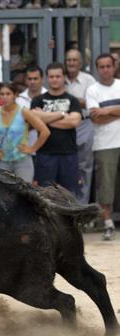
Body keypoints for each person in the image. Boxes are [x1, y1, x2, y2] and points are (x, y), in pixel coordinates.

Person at [29, 62, 81, 194]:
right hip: (45, 153)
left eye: (58, 76)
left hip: (68, 152)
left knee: (69, 195)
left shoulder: (72, 100)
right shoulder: (37, 100)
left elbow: (74, 122)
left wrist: (44, 118)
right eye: (51, 77)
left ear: (64, 77)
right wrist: (63, 115)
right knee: (45, 195)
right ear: (47, 78)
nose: (54, 79)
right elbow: (34, 122)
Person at [0, 83, 50, 182]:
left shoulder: (23, 112)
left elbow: (45, 131)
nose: (5, 97)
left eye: (8, 94)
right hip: (3, 161)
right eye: (2, 94)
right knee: (3, 194)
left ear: (15, 95)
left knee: (23, 194)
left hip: (22, 161)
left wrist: (32, 149)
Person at [86, 53, 120, 240]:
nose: (106, 70)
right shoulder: (93, 90)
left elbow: (102, 114)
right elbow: (95, 118)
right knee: (105, 187)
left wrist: (106, 110)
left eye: (109, 66)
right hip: (104, 144)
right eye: (102, 67)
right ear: (97, 69)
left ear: (114, 67)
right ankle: (108, 223)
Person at [65, 49, 97, 204]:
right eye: (69, 60)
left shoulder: (89, 80)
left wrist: (70, 100)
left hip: (84, 124)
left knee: (84, 167)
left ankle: (82, 204)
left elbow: (92, 103)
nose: (71, 63)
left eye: (74, 60)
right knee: (67, 166)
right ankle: (69, 205)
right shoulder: (60, 78)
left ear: (80, 63)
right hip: (63, 126)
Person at [16, 65, 47, 151]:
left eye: (35, 79)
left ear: (42, 79)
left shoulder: (50, 97)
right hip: (25, 148)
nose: (32, 82)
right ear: (25, 80)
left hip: (46, 148)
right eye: (30, 79)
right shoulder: (19, 100)